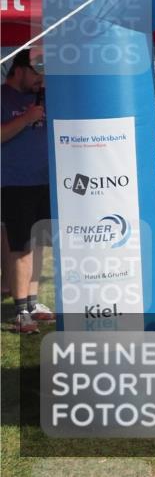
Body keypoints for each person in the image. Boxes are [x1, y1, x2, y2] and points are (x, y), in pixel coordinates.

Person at [1, 50, 56, 332]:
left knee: (37, 245)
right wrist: (26, 118)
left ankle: (33, 303)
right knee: (20, 247)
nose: (40, 79)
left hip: (43, 181)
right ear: (19, 69)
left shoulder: (42, 97)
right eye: (36, 72)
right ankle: (21, 309)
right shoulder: (3, 97)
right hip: (14, 183)